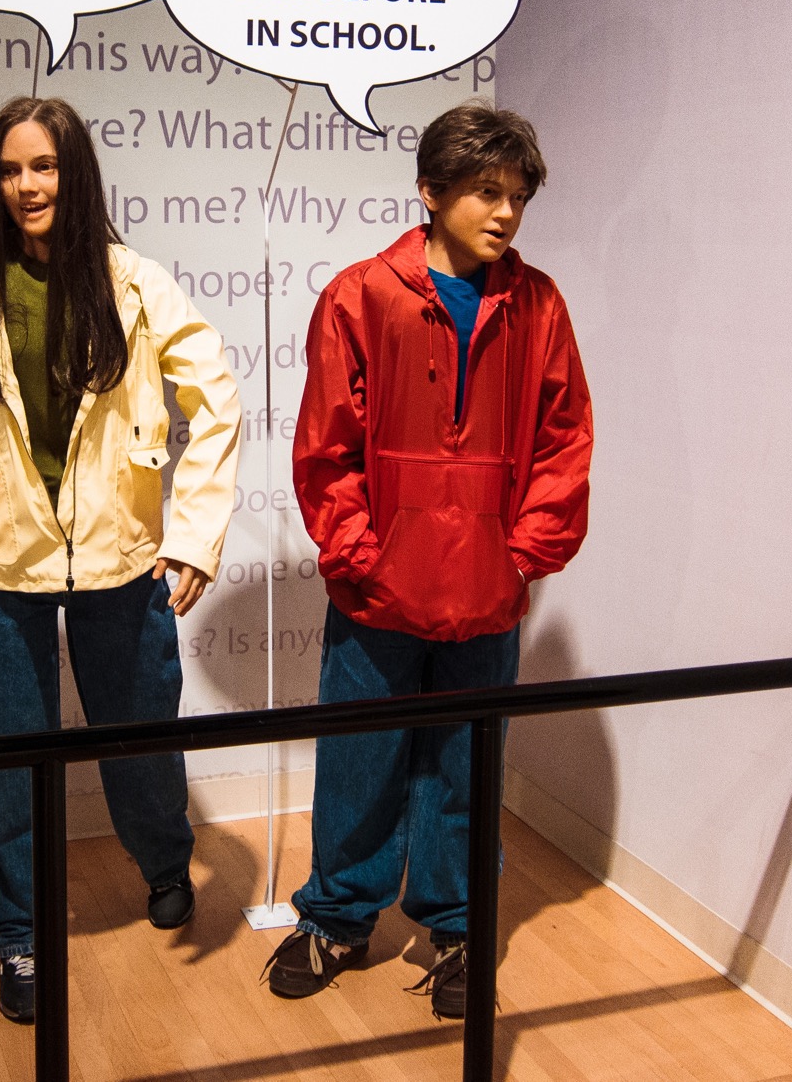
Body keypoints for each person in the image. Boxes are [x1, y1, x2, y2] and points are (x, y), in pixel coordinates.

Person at [0, 95, 242, 1023]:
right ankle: (20, 930)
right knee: (13, 762)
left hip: (120, 556)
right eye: (11, 169)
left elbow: (216, 395)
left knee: (140, 733)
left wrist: (193, 535)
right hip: (0, 566)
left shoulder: (135, 283)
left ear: (74, 171)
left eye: (43, 166)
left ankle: (165, 864)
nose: (27, 185)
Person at [266, 101, 592, 1017]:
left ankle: (458, 929)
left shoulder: (540, 305)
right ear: (431, 191)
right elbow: (326, 446)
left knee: (465, 767)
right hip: (376, 590)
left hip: (487, 591)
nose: (506, 213)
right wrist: (359, 555)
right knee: (359, 759)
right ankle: (337, 918)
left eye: (517, 195)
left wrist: (521, 557)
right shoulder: (360, 295)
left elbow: (564, 440)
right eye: (486, 191)